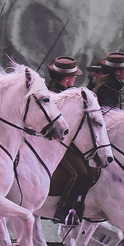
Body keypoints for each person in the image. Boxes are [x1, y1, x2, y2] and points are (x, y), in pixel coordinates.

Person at [44, 57, 89, 226]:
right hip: (56, 143)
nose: (75, 79)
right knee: (80, 173)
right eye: (74, 76)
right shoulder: (56, 95)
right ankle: (62, 209)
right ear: (67, 78)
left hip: (66, 141)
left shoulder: (60, 91)